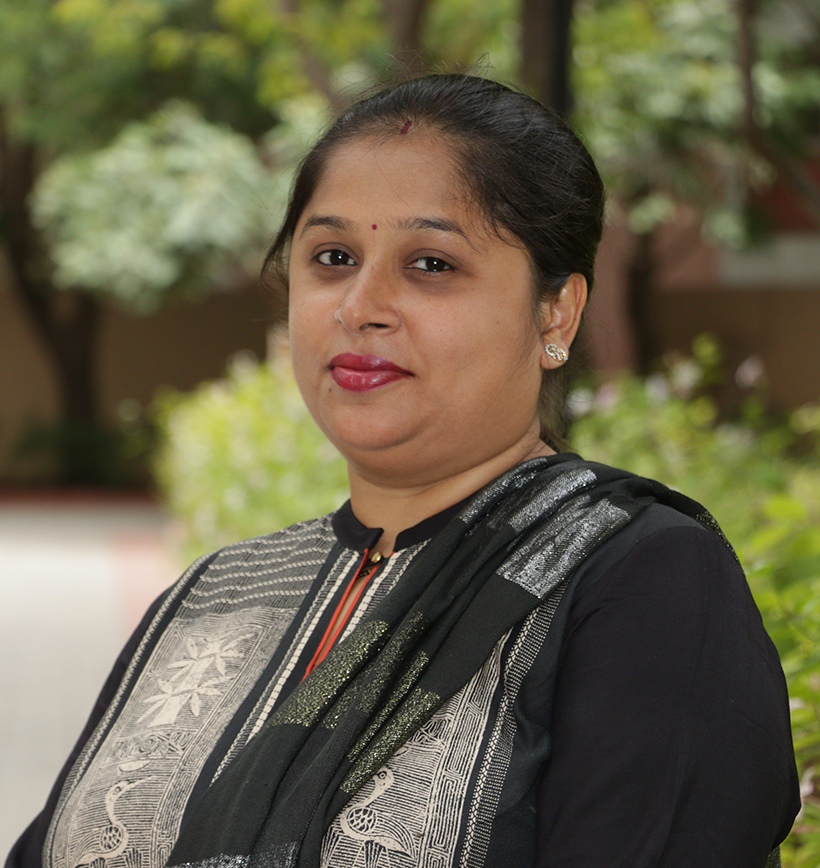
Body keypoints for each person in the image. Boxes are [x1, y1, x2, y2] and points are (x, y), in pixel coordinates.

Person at [7, 74, 800, 868]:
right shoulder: (215, 596)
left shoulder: (645, 586)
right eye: (333, 257)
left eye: (430, 263)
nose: (360, 305)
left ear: (554, 311)